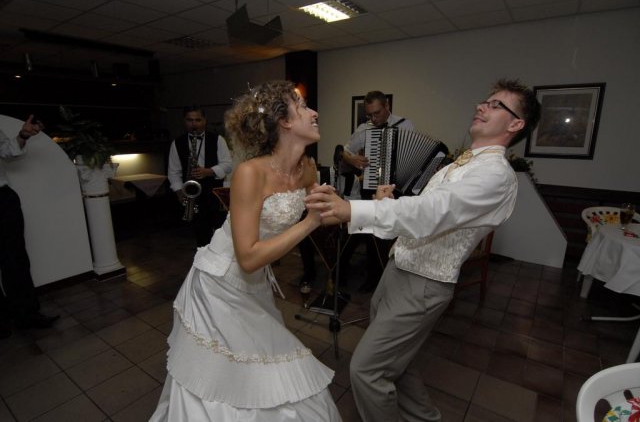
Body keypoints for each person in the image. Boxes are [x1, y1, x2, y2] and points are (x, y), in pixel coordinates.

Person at [306, 79, 541, 422]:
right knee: (398, 362)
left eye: (495, 105)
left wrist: (351, 210)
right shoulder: (461, 163)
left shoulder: (496, 174)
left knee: (367, 371)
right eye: (485, 101)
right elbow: (424, 214)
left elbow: (432, 213)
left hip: (425, 283)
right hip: (399, 267)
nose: (481, 106)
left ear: (516, 124)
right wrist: (387, 204)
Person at [150, 81, 342, 421]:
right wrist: (311, 222)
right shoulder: (250, 172)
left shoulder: (307, 168)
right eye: (303, 107)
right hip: (220, 283)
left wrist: (370, 209)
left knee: (261, 363)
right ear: (284, 122)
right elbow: (249, 257)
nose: (314, 113)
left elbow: (326, 213)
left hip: (255, 284)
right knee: (226, 375)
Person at [340, 90, 416, 293]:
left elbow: (410, 156)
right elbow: (345, 150)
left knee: (390, 237)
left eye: (377, 113)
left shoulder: (405, 125)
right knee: (371, 236)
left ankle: (392, 279)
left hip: (396, 190)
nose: (373, 119)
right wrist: (352, 159)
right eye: (369, 114)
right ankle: (373, 278)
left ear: (387, 106)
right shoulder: (364, 129)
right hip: (372, 188)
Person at [1, 115, 60, 339]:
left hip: (2, 198)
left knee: (15, 258)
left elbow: (7, 151)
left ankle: (26, 315)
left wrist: (23, 135)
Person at [167, 106, 233, 247]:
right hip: (193, 194)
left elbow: (228, 165)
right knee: (201, 235)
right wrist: (179, 192)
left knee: (221, 234)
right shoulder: (177, 143)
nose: (194, 124)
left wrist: (209, 171)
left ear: (205, 120)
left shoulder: (218, 139)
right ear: (184, 121)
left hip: (214, 192)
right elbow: (173, 172)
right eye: (190, 120)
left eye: (198, 120)